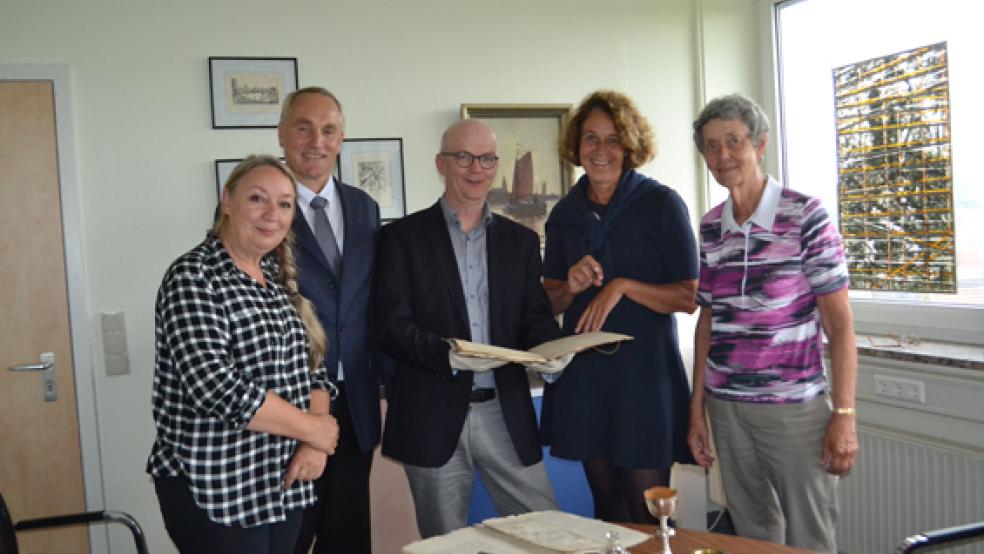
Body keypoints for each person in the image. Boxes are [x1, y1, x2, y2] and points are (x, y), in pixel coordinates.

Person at [374, 119, 567, 538]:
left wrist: (550, 350)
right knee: (444, 543)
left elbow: (534, 318)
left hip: (504, 409)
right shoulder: (401, 238)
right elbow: (389, 326)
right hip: (431, 413)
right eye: (464, 157)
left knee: (546, 530)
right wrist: (443, 353)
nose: (475, 168)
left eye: (486, 159)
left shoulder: (520, 241)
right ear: (441, 163)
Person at [686, 93, 858, 553]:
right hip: (727, 409)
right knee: (751, 536)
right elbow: (709, 320)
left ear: (760, 145)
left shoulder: (806, 214)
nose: (722, 155)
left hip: (794, 411)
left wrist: (843, 415)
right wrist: (696, 408)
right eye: (710, 146)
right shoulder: (709, 226)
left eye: (733, 141)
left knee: (809, 539)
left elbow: (840, 327)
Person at [148, 155, 340, 554]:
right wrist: (311, 429)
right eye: (258, 199)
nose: (273, 214)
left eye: (285, 204)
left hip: (282, 482)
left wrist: (314, 441)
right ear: (228, 201)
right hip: (216, 490)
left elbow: (315, 371)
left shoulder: (275, 279)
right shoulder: (193, 276)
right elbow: (215, 386)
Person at [539, 90, 699, 524]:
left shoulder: (662, 204)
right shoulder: (564, 215)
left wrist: (624, 286)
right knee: (607, 507)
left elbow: (688, 296)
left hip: (644, 381)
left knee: (648, 513)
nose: (601, 151)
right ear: (577, 146)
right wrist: (570, 287)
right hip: (588, 377)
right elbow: (550, 299)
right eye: (591, 139)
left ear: (630, 146)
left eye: (613, 139)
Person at [278, 87, 387, 554]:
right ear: (282, 134)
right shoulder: (265, 208)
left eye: (328, 130)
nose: (315, 141)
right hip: (288, 405)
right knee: (289, 536)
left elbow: (373, 300)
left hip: (355, 402)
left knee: (347, 537)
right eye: (303, 127)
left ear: (342, 138)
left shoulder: (365, 208)